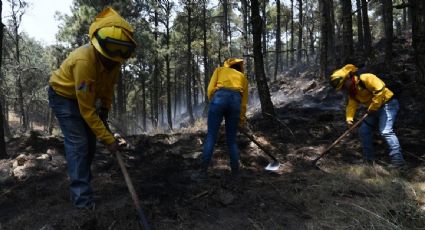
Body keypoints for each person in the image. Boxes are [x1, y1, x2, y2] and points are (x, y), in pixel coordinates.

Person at [48, 7, 137, 209]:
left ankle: (80, 180)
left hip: (82, 98)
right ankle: (82, 201)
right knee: (79, 142)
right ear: (99, 46)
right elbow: (87, 110)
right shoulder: (84, 62)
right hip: (63, 95)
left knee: (89, 142)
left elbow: (107, 89)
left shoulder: (114, 62)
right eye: (110, 54)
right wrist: (108, 139)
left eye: (119, 53)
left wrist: (105, 110)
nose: (113, 58)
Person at [329, 64, 405, 168]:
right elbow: (351, 105)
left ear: (348, 78)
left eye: (342, 86)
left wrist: (373, 107)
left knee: (386, 131)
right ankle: (368, 161)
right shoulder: (352, 91)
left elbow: (380, 91)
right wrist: (349, 119)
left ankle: (398, 161)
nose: (342, 89)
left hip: (388, 104)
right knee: (363, 131)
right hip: (373, 110)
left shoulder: (366, 78)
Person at [199, 58, 248, 179]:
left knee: (211, 136)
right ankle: (235, 173)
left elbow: (210, 89)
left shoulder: (219, 70)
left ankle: (203, 171)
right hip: (236, 102)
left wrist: (214, 101)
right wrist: (241, 120)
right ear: (240, 68)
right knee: (231, 141)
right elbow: (243, 103)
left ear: (228, 65)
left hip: (219, 99)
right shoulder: (242, 77)